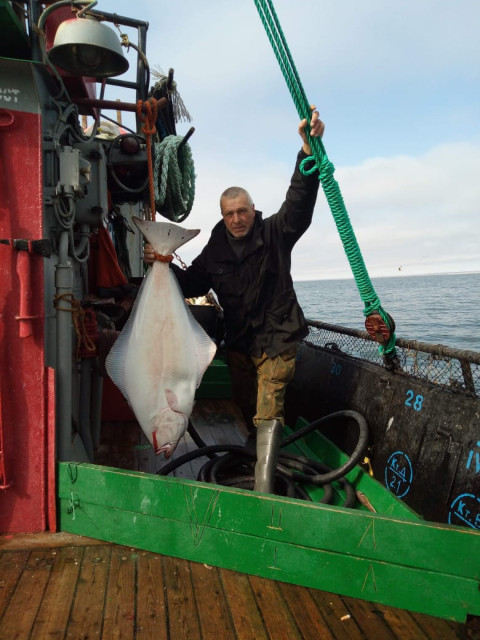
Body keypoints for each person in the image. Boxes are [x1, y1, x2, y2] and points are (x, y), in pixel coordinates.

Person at [144, 108, 325, 493]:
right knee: (246, 404)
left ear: (252, 209)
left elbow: (299, 204)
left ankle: (264, 490)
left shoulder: (275, 233)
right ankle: (255, 449)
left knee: (268, 409)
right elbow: (192, 281)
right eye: (230, 213)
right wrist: (162, 264)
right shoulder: (216, 249)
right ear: (223, 216)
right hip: (241, 342)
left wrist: (307, 152)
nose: (237, 219)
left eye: (242, 211)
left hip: (278, 338)